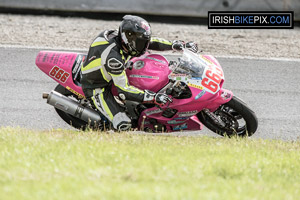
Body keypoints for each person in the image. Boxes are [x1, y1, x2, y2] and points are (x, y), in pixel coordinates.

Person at [80, 15, 198, 131]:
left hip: (116, 67)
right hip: (97, 86)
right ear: (128, 39)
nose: (144, 46)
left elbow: (151, 42)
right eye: (141, 43)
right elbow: (124, 90)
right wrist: (153, 97)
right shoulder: (114, 59)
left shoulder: (123, 38)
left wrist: (176, 45)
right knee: (123, 124)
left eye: (143, 42)